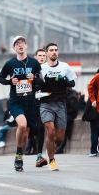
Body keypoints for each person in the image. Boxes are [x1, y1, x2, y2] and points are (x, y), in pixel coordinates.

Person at [0, 35, 42, 172]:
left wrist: (33, 78)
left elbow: (41, 82)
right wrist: (10, 81)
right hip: (16, 101)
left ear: (26, 46)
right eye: (17, 43)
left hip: (30, 102)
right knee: (22, 125)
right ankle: (18, 154)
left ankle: (20, 156)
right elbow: (0, 78)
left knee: (26, 131)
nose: (20, 45)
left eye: (22, 42)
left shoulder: (34, 63)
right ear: (14, 48)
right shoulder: (10, 64)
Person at [36, 42, 76, 171]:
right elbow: (35, 85)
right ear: (46, 53)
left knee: (59, 138)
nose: (54, 52)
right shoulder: (41, 68)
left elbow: (73, 82)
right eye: (51, 50)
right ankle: (52, 160)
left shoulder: (65, 67)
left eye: (56, 50)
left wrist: (64, 80)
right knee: (50, 131)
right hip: (46, 104)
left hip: (60, 104)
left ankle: (51, 150)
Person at [33, 48, 48, 167]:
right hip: (32, 103)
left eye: (44, 55)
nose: (42, 57)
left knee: (41, 129)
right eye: (40, 56)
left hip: (45, 103)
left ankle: (39, 155)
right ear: (35, 57)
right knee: (30, 129)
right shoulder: (31, 70)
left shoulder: (49, 70)